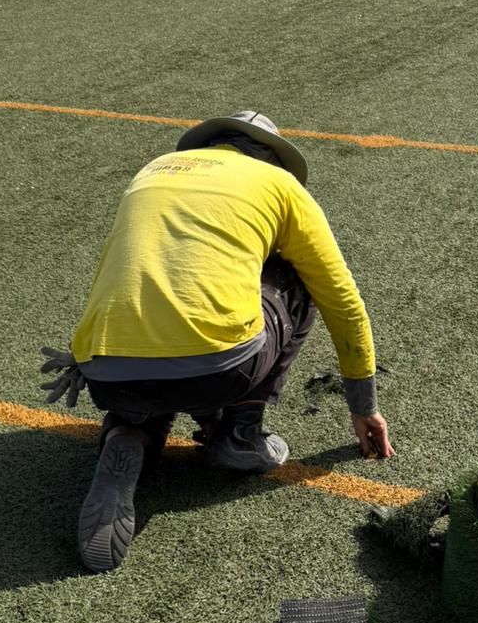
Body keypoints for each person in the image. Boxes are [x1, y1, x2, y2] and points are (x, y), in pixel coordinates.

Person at [40, 110, 394, 572]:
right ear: (271, 157)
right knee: (298, 278)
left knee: (156, 324)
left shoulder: (154, 171)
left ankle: (130, 429)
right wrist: (364, 405)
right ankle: (240, 433)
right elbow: (342, 300)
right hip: (221, 370)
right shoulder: (280, 184)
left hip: (105, 372)